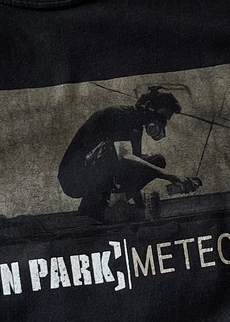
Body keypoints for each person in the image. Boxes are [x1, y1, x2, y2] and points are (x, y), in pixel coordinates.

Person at [57, 86, 202, 221]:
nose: (161, 124)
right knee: (117, 153)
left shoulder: (136, 128)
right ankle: (94, 206)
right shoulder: (120, 115)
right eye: (161, 117)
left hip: (88, 171)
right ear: (147, 106)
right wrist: (171, 176)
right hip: (73, 177)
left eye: (165, 121)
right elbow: (124, 157)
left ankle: (109, 206)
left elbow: (134, 169)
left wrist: (141, 205)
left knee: (156, 160)